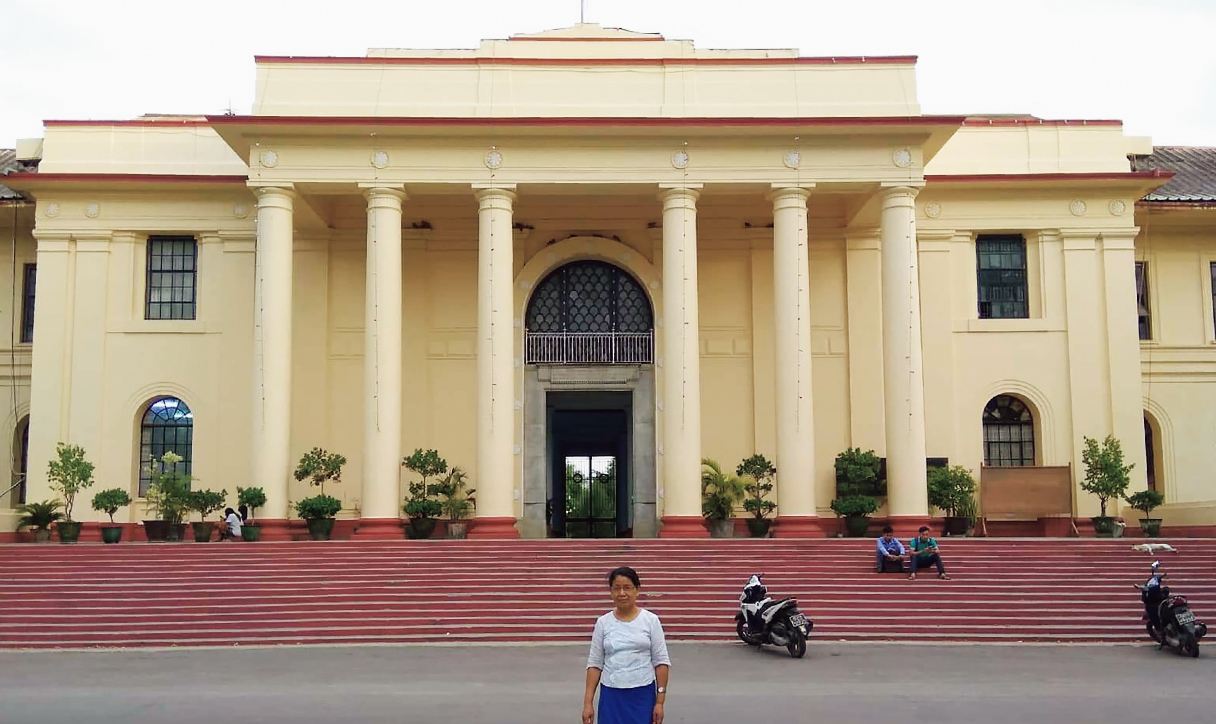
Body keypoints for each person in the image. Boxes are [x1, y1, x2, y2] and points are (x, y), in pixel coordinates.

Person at [583, 567, 671, 724]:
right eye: (616, 588)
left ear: (637, 590)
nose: (622, 593)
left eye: (627, 588)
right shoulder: (603, 623)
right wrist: (588, 704)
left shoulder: (650, 621)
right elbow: (595, 664)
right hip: (611, 696)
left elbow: (661, 662)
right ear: (611, 592)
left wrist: (660, 701)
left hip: (642, 695)